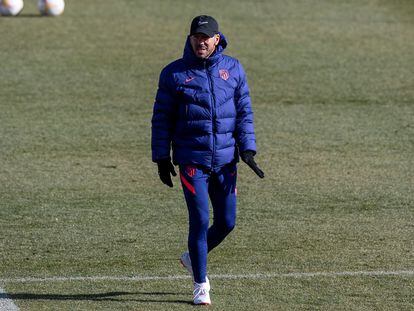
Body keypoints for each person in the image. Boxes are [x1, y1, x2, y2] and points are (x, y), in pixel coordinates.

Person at [151, 15, 264, 305]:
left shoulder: (233, 69)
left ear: (217, 39)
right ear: (190, 39)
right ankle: (201, 284)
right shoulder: (174, 74)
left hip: (226, 161)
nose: (201, 42)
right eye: (196, 37)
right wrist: (162, 157)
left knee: (227, 222)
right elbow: (162, 119)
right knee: (200, 220)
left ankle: (191, 258)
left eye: (206, 37)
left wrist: (248, 149)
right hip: (192, 160)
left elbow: (244, 112)